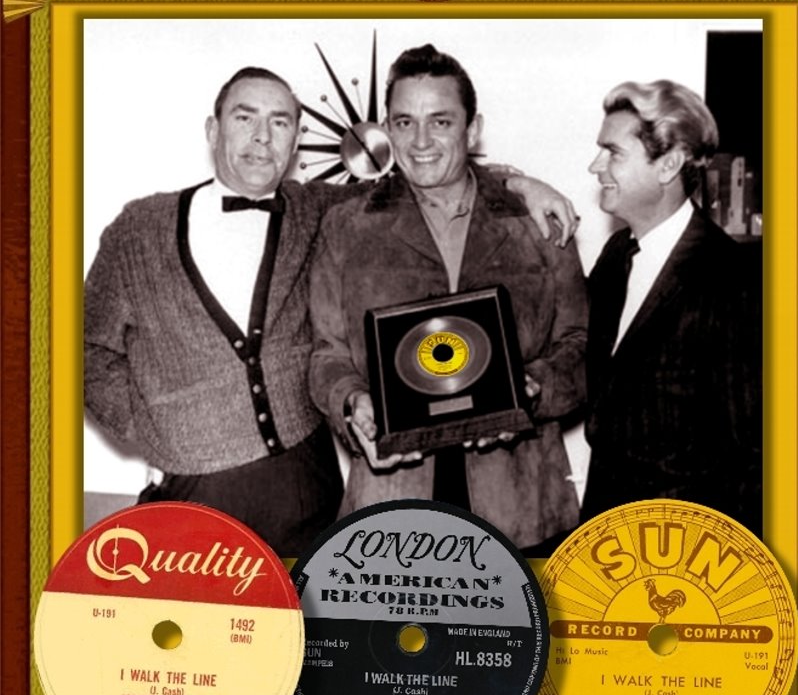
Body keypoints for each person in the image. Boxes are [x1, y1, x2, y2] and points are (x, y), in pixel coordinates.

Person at [84, 65, 579, 557]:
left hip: (306, 484)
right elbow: (84, 350)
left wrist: (518, 183)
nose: (262, 137)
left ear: (296, 140)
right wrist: (156, 427)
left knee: (306, 609)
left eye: (279, 122)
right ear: (213, 129)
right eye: (244, 118)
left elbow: (430, 172)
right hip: (193, 485)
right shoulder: (139, 230)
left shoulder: (318, 210)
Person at [308, 45, 588, 552]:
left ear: (472, 130)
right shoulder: (346, 227)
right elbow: (327, 355)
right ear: (387, 130)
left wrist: (530, 391)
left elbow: (581, 347)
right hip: (393, 505)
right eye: (405, 122)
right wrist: (352, 405)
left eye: (440, 122)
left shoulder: (538, 222)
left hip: (524, 507)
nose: (421, 141)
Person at [579, 79, 762, 535]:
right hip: (605, 536)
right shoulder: (616, 256)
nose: (595, 166)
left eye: (612, 153)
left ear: (669, 165)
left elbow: (752, 457)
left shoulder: (732, 279)